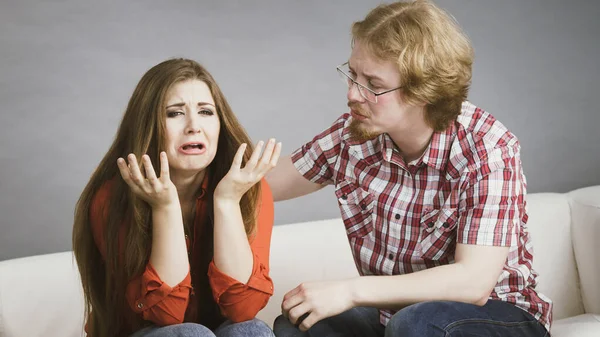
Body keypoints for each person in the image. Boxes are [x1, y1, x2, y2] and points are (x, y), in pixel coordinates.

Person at [267, 1, 552, 336]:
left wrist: (348, 290)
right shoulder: (354, 135)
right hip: (398, 316)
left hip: (498, 313)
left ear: (423, 90)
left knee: (415, 324)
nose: (352, 94)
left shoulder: (487, 147)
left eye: (372, 84)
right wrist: (197, 169)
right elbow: (262, 183)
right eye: (352, 74)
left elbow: (473, 282)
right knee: (299, 323)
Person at [72, 58, 281, 337]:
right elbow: (166, 315)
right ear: (148, 124)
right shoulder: (112, 199)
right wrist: (165, 207)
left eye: (206, 112)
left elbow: (243, 308)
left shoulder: (248, 188)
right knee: (190, 335)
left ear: (220, 123)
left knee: (251, 330)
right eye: (174, 114)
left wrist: (227, 202)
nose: (194, 126)